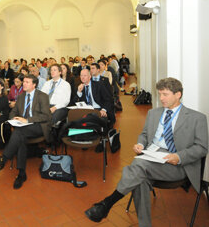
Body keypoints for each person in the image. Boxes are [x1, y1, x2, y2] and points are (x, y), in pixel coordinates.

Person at [85, 78, 208, 226]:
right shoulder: (154, 113)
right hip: (151, 157)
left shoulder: (197, 118)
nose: (161, 98)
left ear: (178, 94)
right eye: (160, 94)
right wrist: (140, 144)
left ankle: (107, 203)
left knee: (138, 166)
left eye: (165, 94)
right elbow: (144, 134)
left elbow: (201, 147)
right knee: (140, 178)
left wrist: (179, 156)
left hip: (176, 163)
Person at [0, 74, 51, 189]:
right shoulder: (22, 96)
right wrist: (14, 118)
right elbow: (13, 111)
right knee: (20, 136)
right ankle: (21, 173)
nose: (24, 84)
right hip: (23, 127)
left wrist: (27, 120)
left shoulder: (42, 96)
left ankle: (4, 158)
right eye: (24, 82)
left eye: (27, 82)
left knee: (19, 132)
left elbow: (46, 116)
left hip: (38, 125)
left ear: (34, 85)